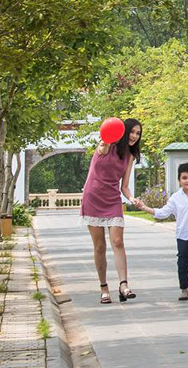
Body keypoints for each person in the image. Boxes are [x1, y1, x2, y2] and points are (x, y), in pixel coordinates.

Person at [80, 118, 142, 304]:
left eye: (138, 133)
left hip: (113, 200)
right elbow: (103, 145)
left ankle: (124, 286)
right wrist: (107, 137)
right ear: (123, 132)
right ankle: (104, 288)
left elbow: (125, 186)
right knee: (99, 246)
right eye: (132, 132)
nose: (134, 136)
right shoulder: (106, 146)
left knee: (118, 241)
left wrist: (131, 198)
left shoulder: (129, 157)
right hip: (93, 198)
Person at [135, 162, 188, 301]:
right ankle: (184, 290)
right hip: (182, 236)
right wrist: (144, 207)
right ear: (179, 180)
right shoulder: (175, 198)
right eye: (184, 178)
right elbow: (163, 213)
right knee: (182, 264)